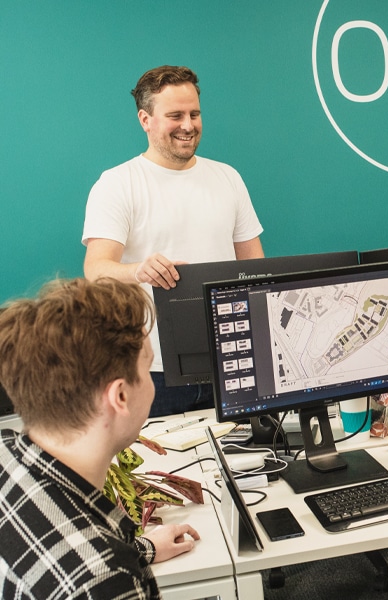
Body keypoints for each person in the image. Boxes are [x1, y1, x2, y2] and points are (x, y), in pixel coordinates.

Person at [82, 65, 265, 417]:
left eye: (194, 114)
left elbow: (255, 268)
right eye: (175, 115)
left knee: (251, 463)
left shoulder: (227, 178)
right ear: (145, 119)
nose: (188, 125)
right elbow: (96, 270)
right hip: (155, 371)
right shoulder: (118, 184)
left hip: (232, 359)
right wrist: (140, 270)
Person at [0, 278, 200, 598]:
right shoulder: (106, 581)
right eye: (148, 369)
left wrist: (139, 549)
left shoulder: (7, 456)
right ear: (120, 395)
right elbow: (90, 571)